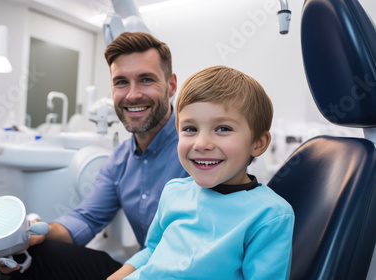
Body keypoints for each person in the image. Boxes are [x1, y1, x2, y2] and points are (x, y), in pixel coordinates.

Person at [0, 32, 188, 279]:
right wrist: (36, 233)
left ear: (172, 86)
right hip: (140, 267)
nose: (132, 95)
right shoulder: (120, 160)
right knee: (23, 258)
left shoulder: (197, 149)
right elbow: (86, 218)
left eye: (146, 79)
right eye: (121, 82)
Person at [108, 65, 295, 280]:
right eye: (190, 129)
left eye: (223, 128)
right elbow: (151, 251)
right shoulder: (174, 191)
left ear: (258, 143)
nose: (202, 143)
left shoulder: (269, 215)